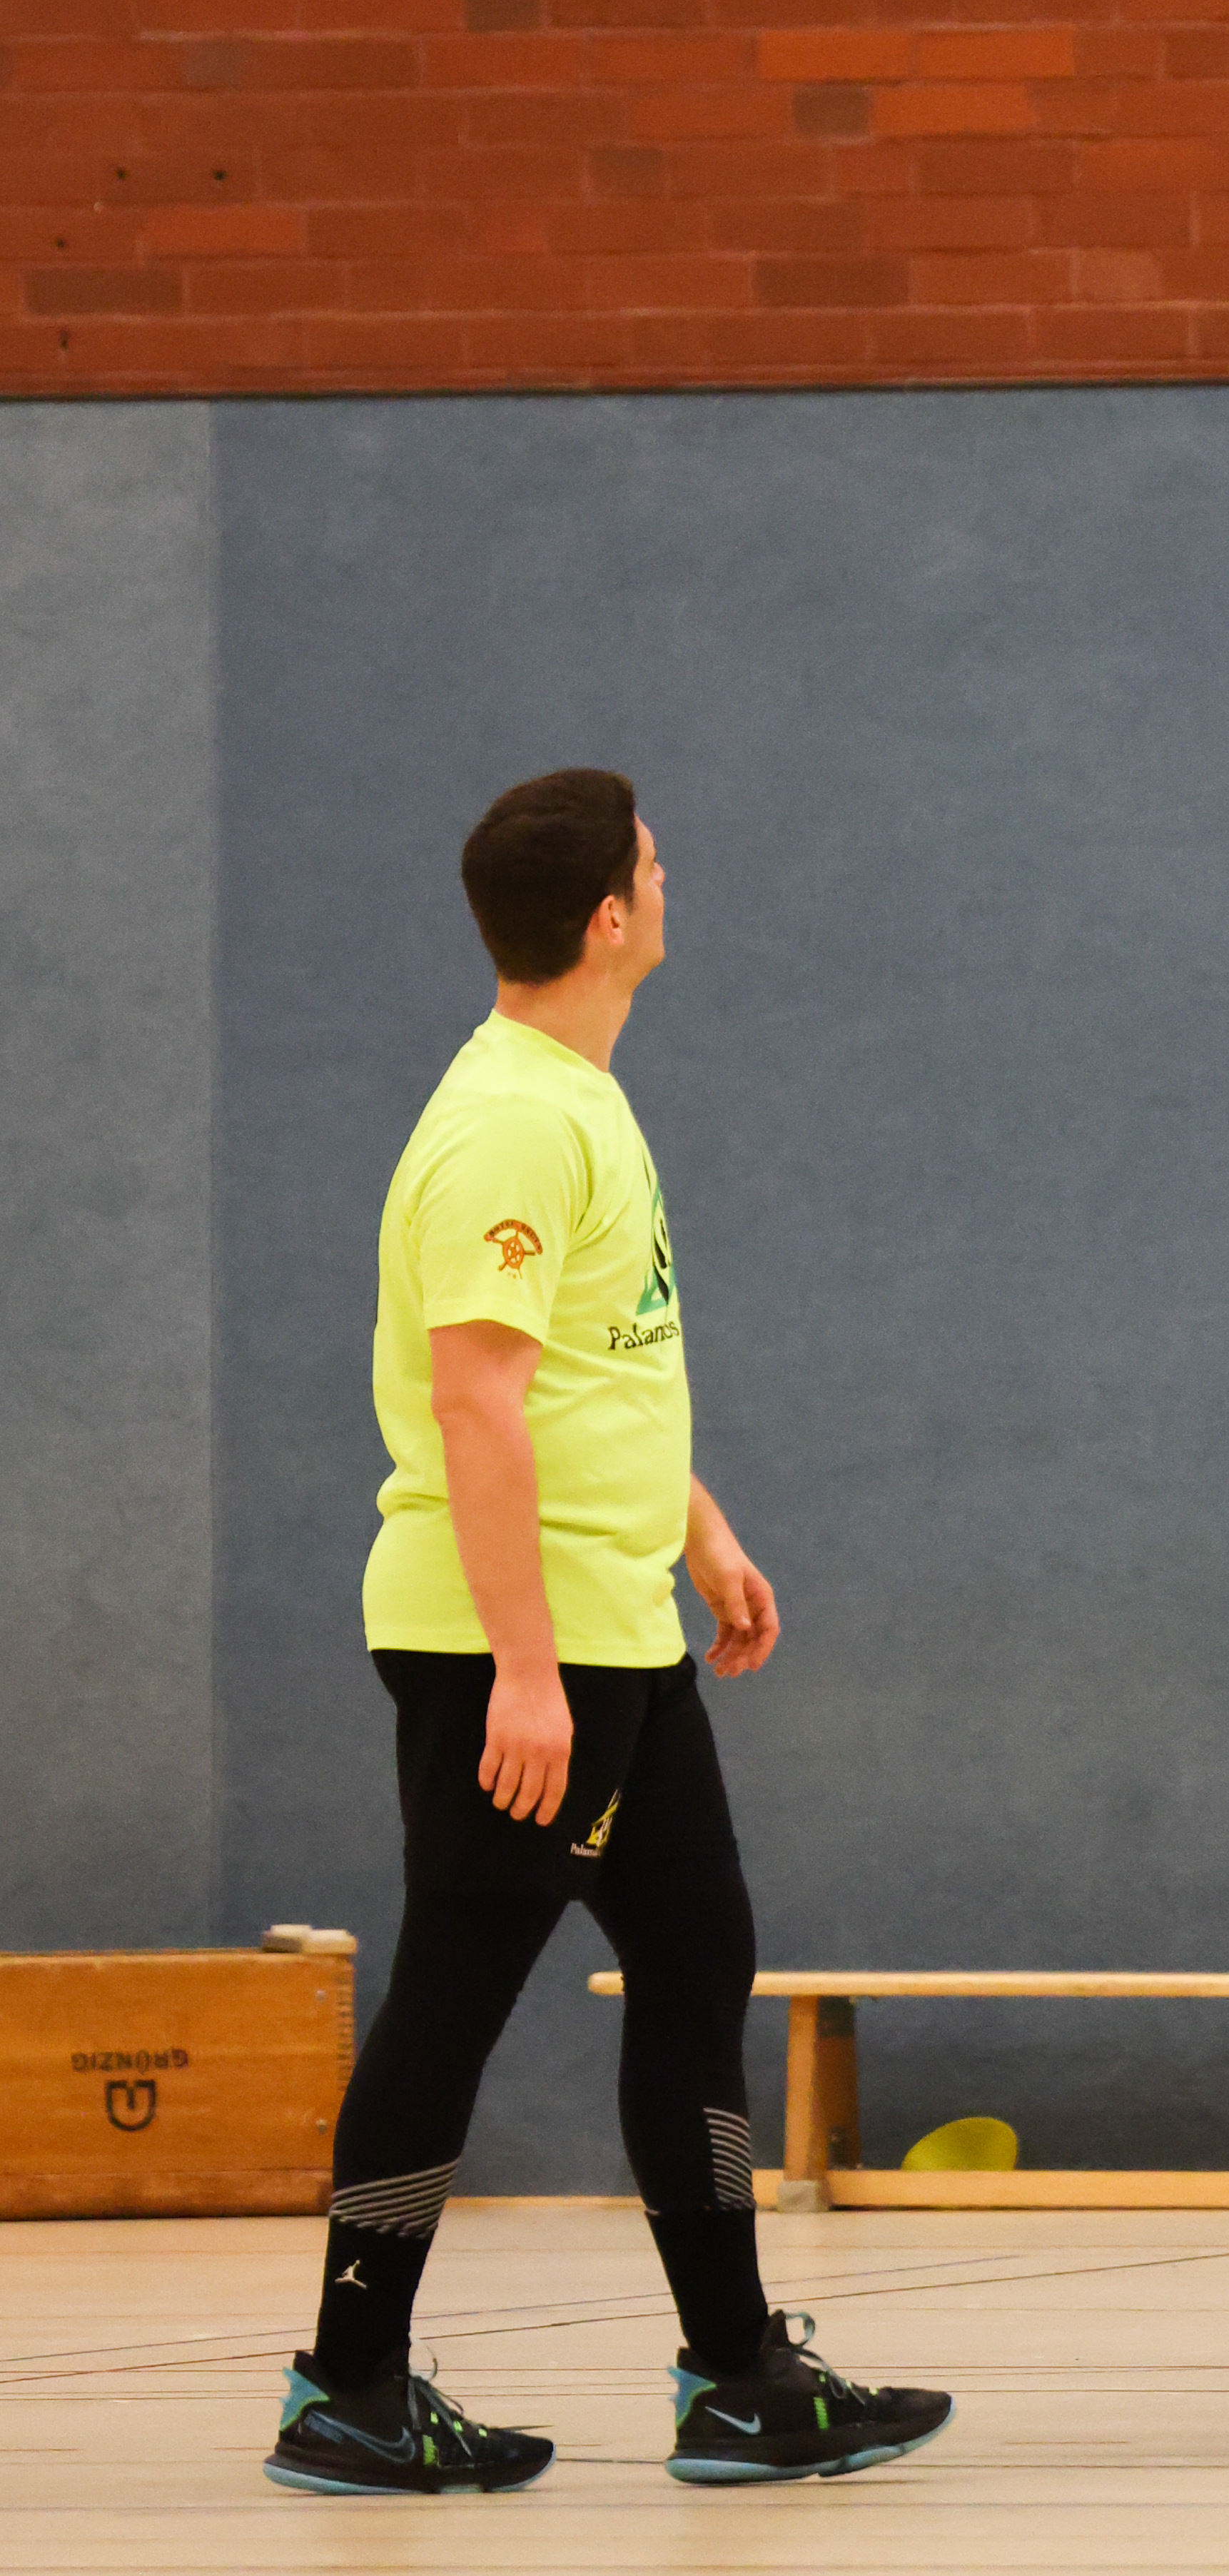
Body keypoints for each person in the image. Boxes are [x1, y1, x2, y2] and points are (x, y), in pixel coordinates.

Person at [266, 770, 951, 2495]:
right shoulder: (508, 1122)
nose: (670, 878)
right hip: (521, 1648)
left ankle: (738, 2376)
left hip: (617, 1632)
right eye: (653, 864)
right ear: (608, 920)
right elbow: (476, 1401)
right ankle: (347, 2387)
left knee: (697, 1958)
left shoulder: (579, 1095)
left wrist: (698, 1531)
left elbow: (594, 1370)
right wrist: (521, 1668)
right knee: (454, 1994)